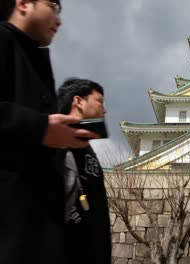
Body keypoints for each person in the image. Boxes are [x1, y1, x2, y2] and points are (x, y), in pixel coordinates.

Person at [0, 1, 97, 263]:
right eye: (53, 7)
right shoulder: (4, 41)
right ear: (23, 4)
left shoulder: (35, 61)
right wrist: (40, 128)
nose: (59, 20)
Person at [57, 78, 111, 264]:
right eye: (100, 101)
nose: (104, 110)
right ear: (78, 101)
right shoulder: (54, 139)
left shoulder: (88, 149)